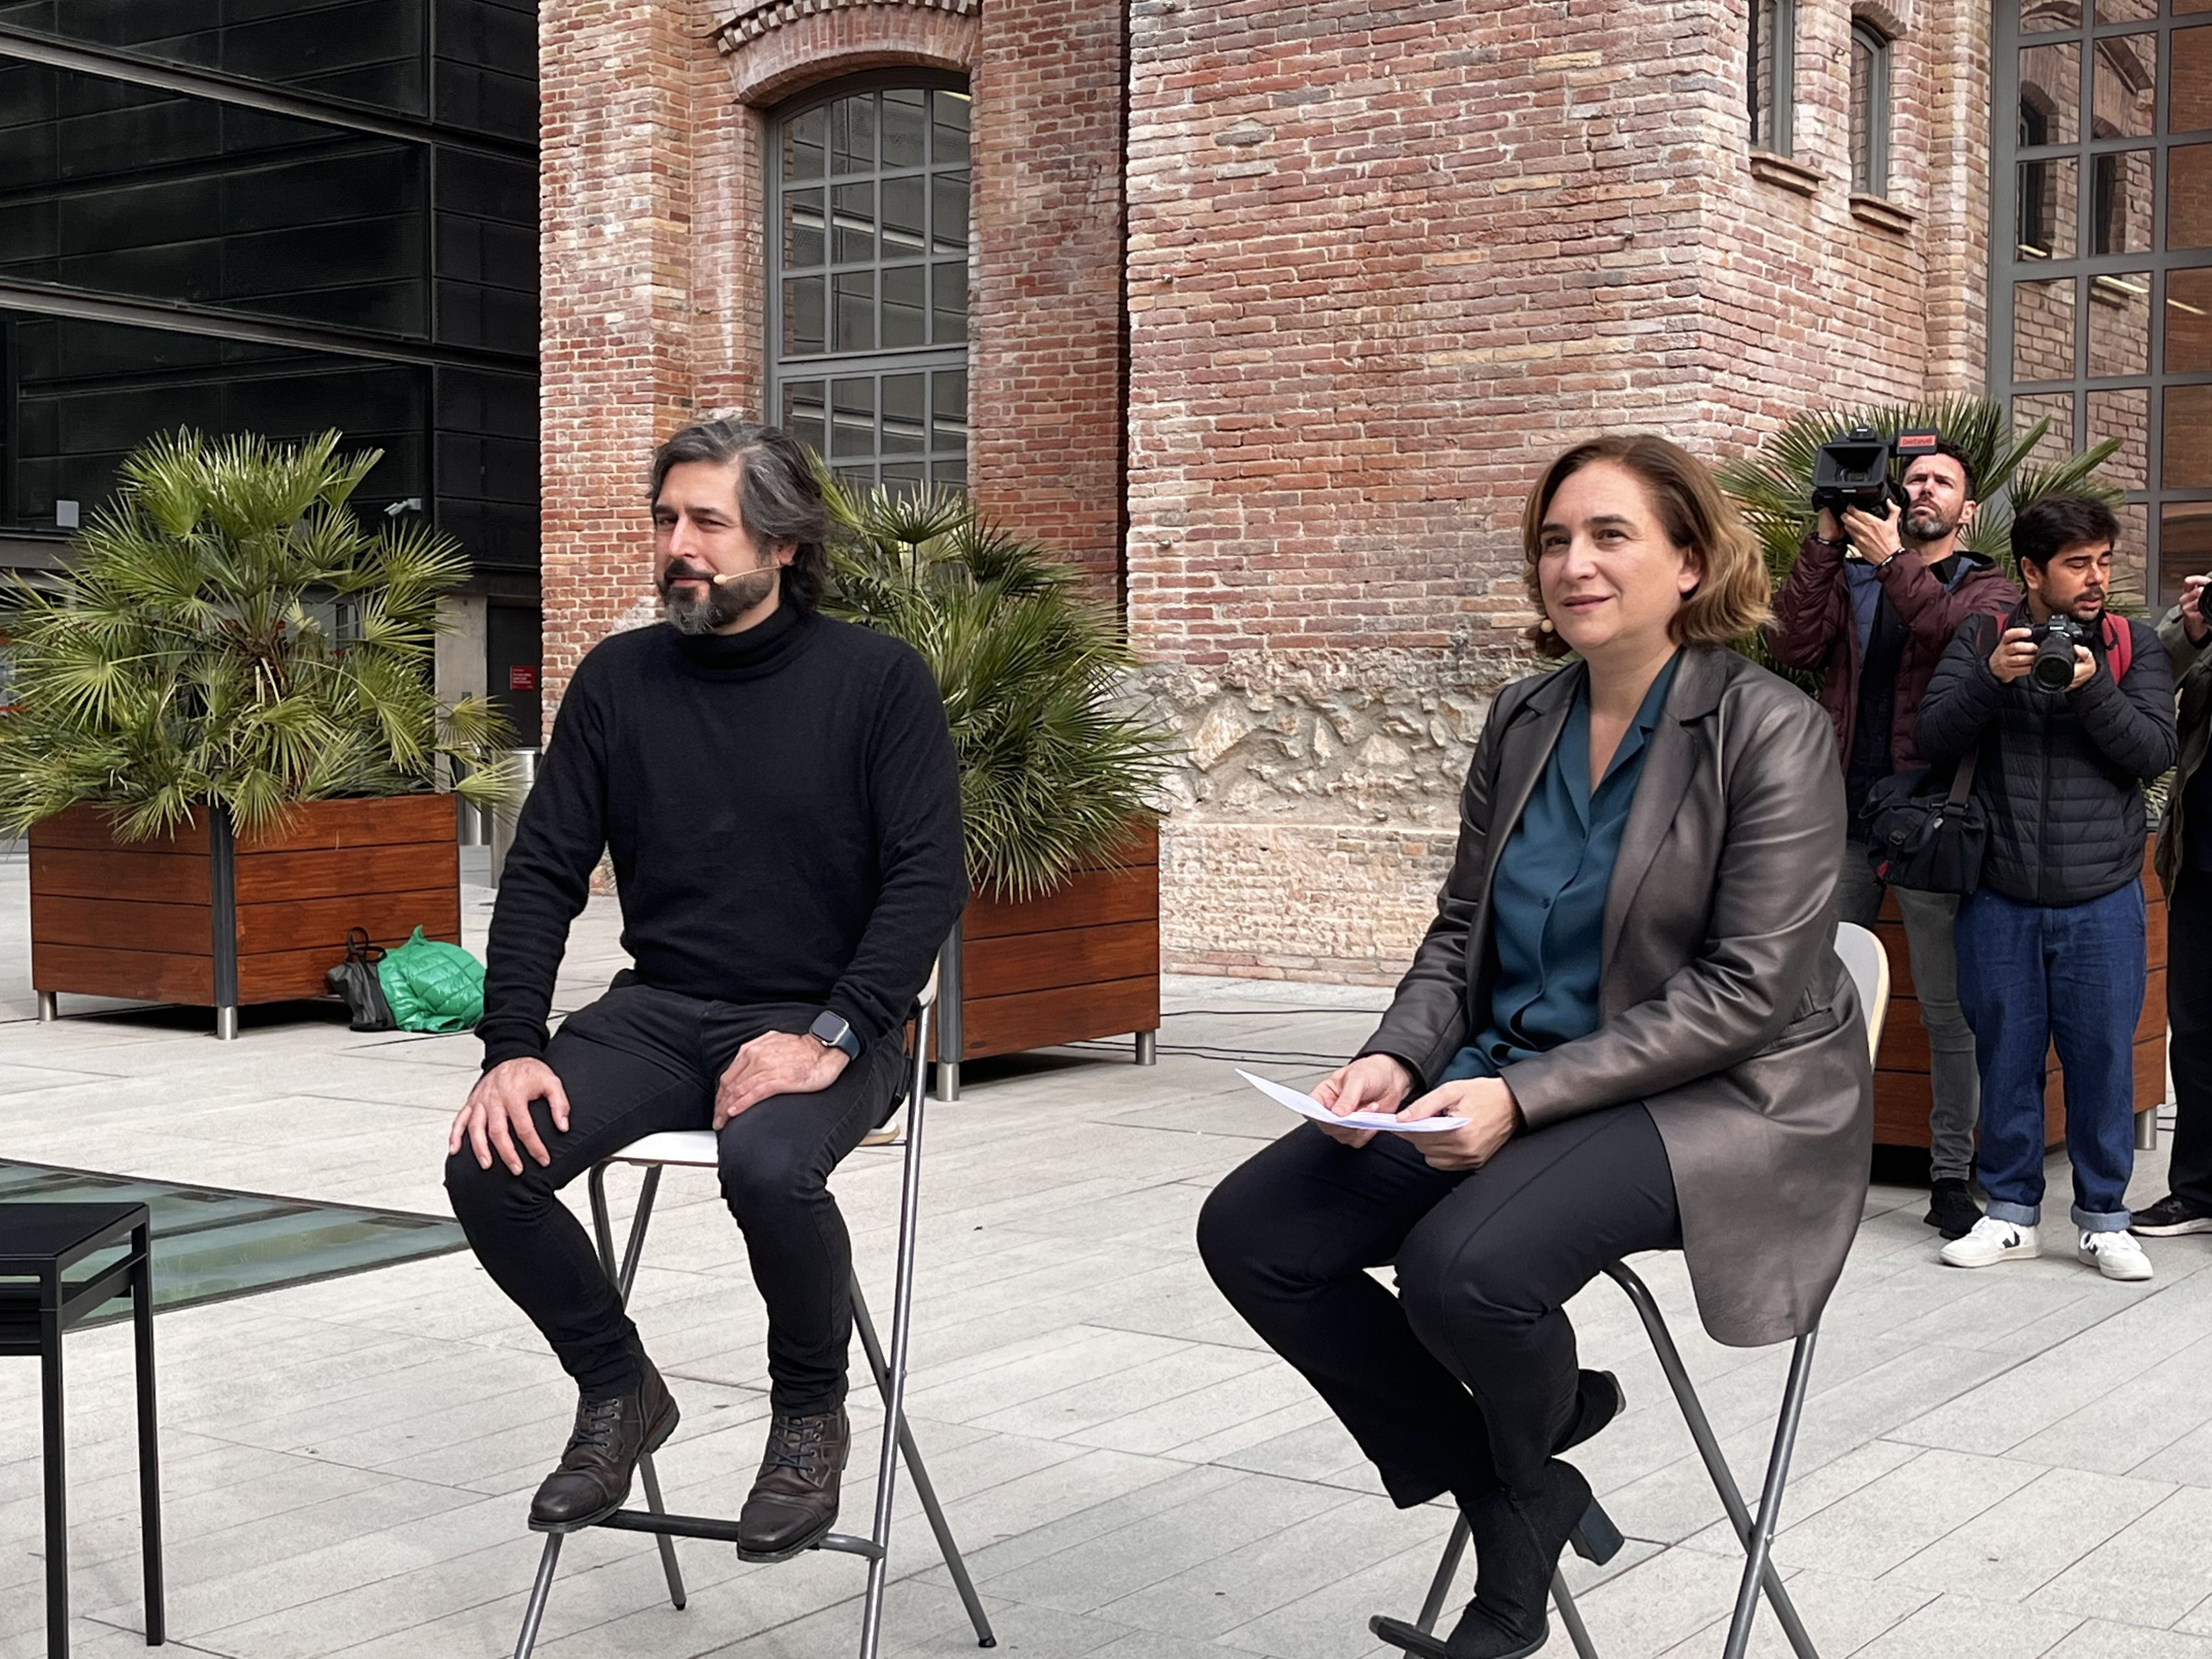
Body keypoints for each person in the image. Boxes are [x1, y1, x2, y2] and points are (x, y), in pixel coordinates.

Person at [1197, 435, 1871, 1659]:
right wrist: (1396, 1062)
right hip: (1518, 1072)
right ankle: (1517, 1482)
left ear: (1688, 561)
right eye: (1554, 540)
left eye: (1609, 535)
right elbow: (1463, 932)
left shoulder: (1766, 729)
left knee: (1465, 1271)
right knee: (1255, 1234)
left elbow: (1750, 992)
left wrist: (1514, 1096)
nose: (1573, 563)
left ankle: (1519, 1531)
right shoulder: (1524, 716)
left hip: (1722, 1098)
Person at [443, 421, 966, 1553]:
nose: (678, 545)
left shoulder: (876, 681)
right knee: (491, 1163)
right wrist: (511, 1046)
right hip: (663, 1011)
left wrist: (830, 1033)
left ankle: (807, 1417)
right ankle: (620, 1388)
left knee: (769, 1163)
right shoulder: (619, 681)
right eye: (666, 520)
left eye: (707, 523)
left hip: (833, 1015)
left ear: (780, 543)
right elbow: (540, 871)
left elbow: (928, 880)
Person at [1917, 495, 2176, 1281]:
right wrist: (1992, 682)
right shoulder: (1986, 637)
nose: (2096, 579)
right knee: (2007, 1055)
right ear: (2030, 572)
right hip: (1999, 892)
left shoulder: (2133, 645)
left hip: (2100, 893)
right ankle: (2009, 1214)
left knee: (2101, 1057)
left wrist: (2092, 687)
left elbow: (2152, 752)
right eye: (2077, 564)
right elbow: (1931, 738)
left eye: (2103, 560)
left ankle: (2104, 1218)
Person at [1766, 439, 2018, 1238]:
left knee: (1946, 1010)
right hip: (1839, 812)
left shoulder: (1988, 585)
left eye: (1942, 482)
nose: (1924, 490)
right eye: (1913, 480)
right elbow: (1790, 646)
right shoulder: (1852, 575)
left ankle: (1950, 1177)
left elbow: (1961, 646)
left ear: (1967, 509)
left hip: (1928, 818)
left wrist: (1890, 564)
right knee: (1811, 997)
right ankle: (1801, 1168)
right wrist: (1825, 545)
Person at [2130, 570, 2212, 1239]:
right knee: (2196, 1032)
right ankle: (2196, 1191)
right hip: (2200, 861)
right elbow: (2151, 679)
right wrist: (2187, 629)